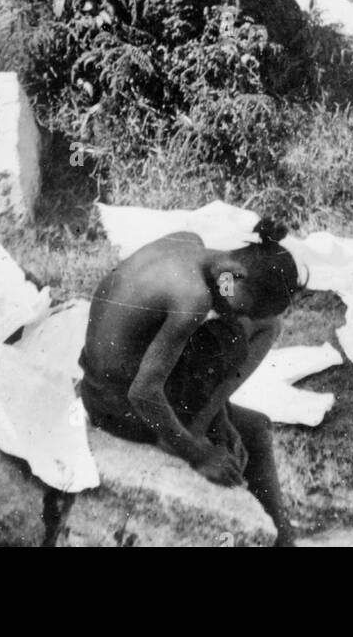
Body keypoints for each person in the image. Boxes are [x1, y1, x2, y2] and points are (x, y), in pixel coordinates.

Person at [79, 216, 305, 546]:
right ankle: (283, 543)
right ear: (236, 277)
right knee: (255, 425)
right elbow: (143, 392)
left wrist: (220, 412)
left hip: (99, 388)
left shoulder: (186, 241)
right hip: (122, 409)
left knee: (254, 339)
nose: (240, 314)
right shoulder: (193, 299)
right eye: (248, 306)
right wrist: (197, 453)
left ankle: (210, 417)